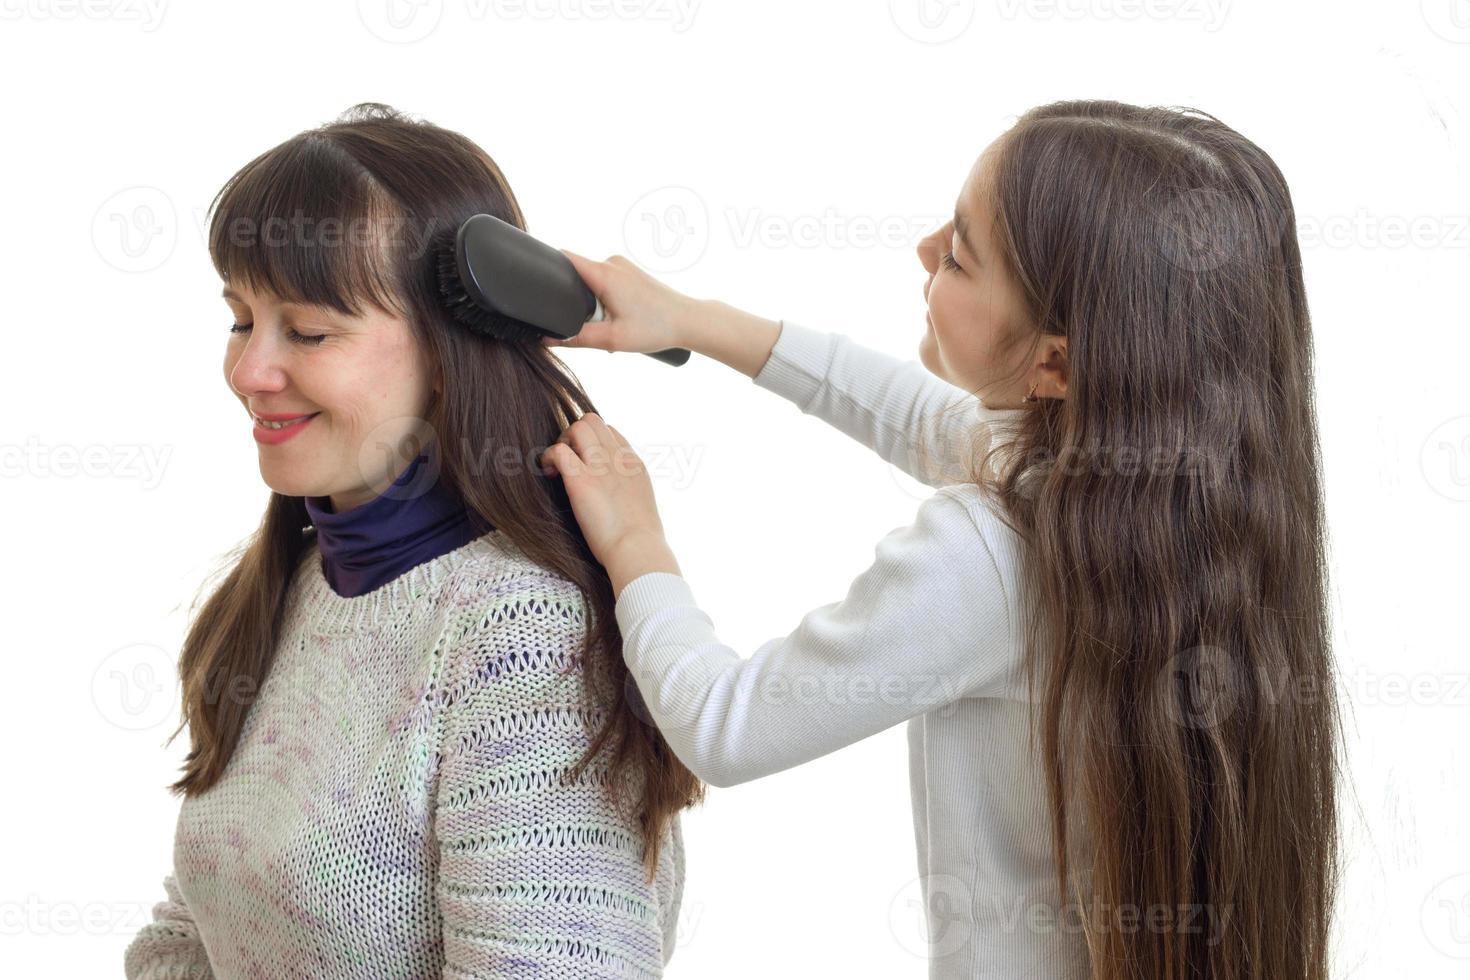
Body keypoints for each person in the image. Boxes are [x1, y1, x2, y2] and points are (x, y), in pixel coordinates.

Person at [538, 99, 1343, 979]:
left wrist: (635, 542)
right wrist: (688, 320)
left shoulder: (990, 555)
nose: (925, 252)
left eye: (959, 255)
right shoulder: (1169, 505)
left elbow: (726, 727)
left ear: (1057, 365)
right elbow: (938, 423)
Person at [123, 103, 699, 979]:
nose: (248, 373)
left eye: (308, 331)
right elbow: (199, 929)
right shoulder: (297, 583)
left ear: (451, 346)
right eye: (241, 319)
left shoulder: (522, 637)